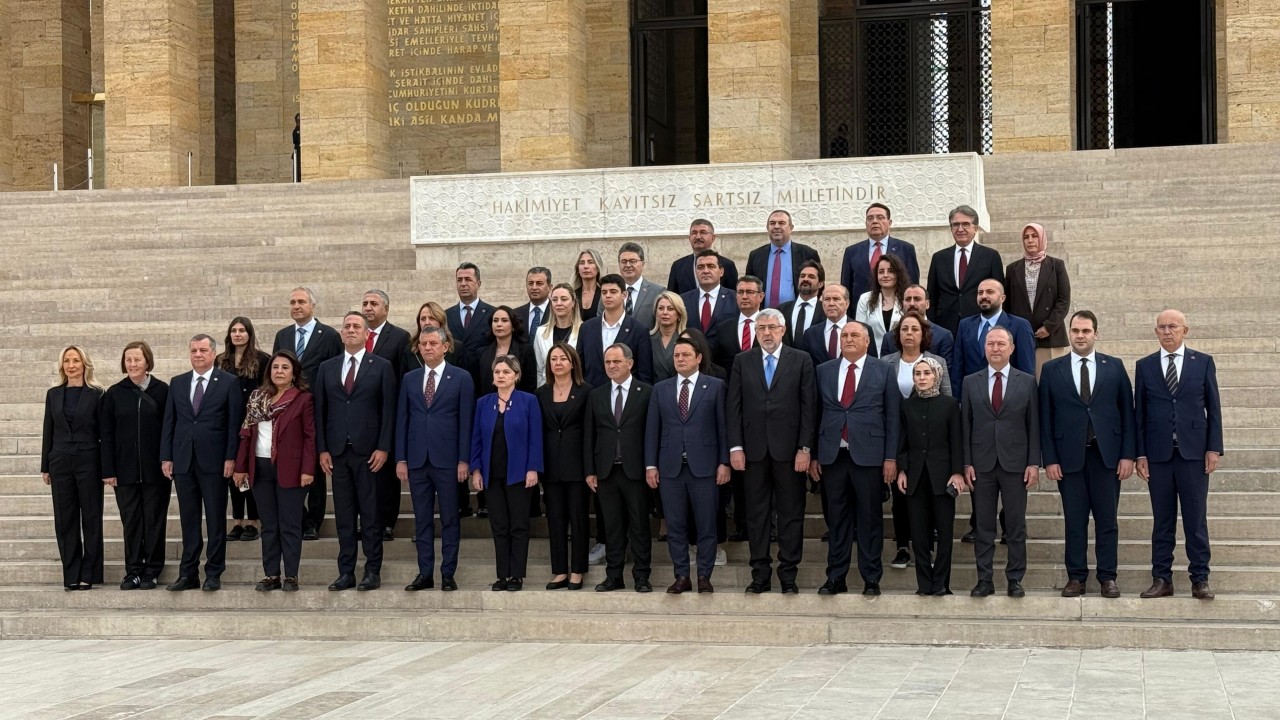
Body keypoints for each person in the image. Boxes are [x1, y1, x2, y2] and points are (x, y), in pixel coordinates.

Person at [1040, 311, 1136, 598]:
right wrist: (1050, 459)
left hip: (1106, 458)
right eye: (1075, 330)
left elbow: (1127, 414)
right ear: (1069, 333)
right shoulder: (1052, 369)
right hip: (1069, 459)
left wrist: (1128, 455)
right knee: (1075, 521)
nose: (1080, 336)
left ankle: (1108, 577)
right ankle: (1076, 577)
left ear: (1096, 334)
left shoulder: (1114, 367)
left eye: (1086, 331)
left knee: (1107, 521)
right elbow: (1045, 417)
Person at [1135, 309, 1223, 600]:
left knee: (1195, 519)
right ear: (1156, 331)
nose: (1167, 331)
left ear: (1185, 329)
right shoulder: (1145, 366)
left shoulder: (1203, 363)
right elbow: (1140, 413)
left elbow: (1214, 408)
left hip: (1193, 454)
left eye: (1172, 326)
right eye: (1161, 327)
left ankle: (1200, 578)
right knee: (1162, 520)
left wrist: (1213, 448)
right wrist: (1140, 454)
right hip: (1158, 455)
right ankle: (1162, 578)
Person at [727, 309, 816, 594]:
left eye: (772, 327)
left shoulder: (800, 360)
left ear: (783, 329)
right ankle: (760, 575)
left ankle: (788, 574)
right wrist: (736, 447)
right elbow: (734, 407)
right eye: (761, 327)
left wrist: (805, 448)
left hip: (790, 451)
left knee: (791, 514)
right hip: (752, 452)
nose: (766, 333)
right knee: (757, 514)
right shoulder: (743, 361)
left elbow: (808, 408)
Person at [811, 322, 899, 596]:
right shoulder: (824, 370)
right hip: (832, 455)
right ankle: (835, 577)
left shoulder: (883, 369)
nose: (848, 339)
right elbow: (815, 414)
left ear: (867, 342)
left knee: (870, 519)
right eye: (844, 335)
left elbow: (893, 417)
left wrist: (890, 458)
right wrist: (813, 455)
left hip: (870, 457)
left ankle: (871, 578)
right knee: (836, 520)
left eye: (854, 335)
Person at [314, 312, 397, 592]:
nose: (351, 330)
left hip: (370, 454)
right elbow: (320, 411)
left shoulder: (382, 366)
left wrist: (384, 447)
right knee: (345, 516)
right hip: (337, 454)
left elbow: (389, 410)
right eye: (347, 326)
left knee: (371, 515)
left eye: (356, 327)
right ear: (341, 333)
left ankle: (372, 570)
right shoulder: (327, 367)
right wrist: (323, 449)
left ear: (366, 334)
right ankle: (346, 571)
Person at [646, 337, 731, 594]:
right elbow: (652, 430)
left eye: (685, 354)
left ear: (698, 358)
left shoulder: (715, 386)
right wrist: (651, 465)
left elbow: (723, 428)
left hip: (704, 467)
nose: (680, 359)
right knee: (675, 525)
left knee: (706, 524)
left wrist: (724, 462)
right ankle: (682, 575)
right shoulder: (660, 389)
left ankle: (704, 575)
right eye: (676, 355)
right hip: (670, 468)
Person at [160, 334, 244, 592]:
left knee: (216, 519)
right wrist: (167, 456)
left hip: (215, 461)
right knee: (189, 519)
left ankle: (213, 573)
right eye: (194, 350)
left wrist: (231, 457)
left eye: (203, 350)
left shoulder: (228, 382)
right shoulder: (178, 382)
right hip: (184, 461)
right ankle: (188, 573)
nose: (198, 354)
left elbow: (234, 424)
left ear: (213, 354)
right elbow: (169, 422)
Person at [961, 326, 1039, 598]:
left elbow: (1034, 425)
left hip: (1016, 464)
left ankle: (1015, 579)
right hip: (981, 465)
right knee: (983, 526)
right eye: (990, 343)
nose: (995, 348)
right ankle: (985, 580)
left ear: (1012, 348)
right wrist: (967, 463)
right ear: (984, 348)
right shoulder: (970, 382)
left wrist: (1033, 463)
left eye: (1000, 344)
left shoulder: (1027, 381)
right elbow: (965, 425)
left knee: (1015, 525)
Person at [396, 327, 473, 592]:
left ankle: (448, 572)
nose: (428, 347)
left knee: (450, 518)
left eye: (433, 343)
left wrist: (464, 460)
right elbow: (402, 420)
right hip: (417, 460)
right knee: (422, 519)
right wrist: (401, 458)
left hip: (448, 460)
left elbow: (466, 421)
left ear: (445, 347)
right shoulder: (409, 378)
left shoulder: (461, 378)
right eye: (423, 344)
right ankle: (425, 573)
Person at [232, 351, 315, 593]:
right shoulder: (258, 398)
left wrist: (308, 469)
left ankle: (291, 575)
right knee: (269, 525)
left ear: (293, 373)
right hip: (260, 467)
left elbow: (310, 437)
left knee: (289, 524)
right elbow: (246, 434)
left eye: (284, 367)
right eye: (275, 367)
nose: (279, 370)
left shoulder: (303, 399)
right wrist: (240, 467)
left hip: (291, 468)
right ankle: (271, 574)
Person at [881, 311, 953, 570]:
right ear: (897, 335)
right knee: (901, 495)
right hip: (898, 436)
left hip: (931, 439)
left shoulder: (937, 362)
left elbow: (947, 401)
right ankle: (902, 546)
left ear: (923, 335)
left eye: (914, 329)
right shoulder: (887, 362)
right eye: (904, 329)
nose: (909, 333)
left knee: (930, 490)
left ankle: (927, 545)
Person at [271, 287, 341, 541]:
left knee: (314, 465)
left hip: (317, 407)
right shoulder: (283, 335)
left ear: (313, 305)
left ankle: (313, 520)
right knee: (288, 462)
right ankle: (296, 517)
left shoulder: (330, 335)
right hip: (287, 409)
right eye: (292, 302)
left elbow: (335, 371)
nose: (296, 306)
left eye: (301, 301)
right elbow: (276, 369)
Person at [470, 355, 543, 591]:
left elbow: (536, 437)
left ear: (516, 376)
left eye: (506, 372)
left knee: (519, 526)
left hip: (519, 474)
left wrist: (533, 468)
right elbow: (476, 439)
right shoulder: (483, 403)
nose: (501, 376)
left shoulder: (529, 401)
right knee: (499, 526)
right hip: (492, 475)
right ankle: (502, 575)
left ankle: (516, 575)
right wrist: (476, 469)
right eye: (497, 372)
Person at [100, 341, 170, 590]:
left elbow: (169, 430)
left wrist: (167, 459)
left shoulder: (163, 390)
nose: (132, 364)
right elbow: (106, 433)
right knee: (131, 520)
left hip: (155, 471)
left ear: (147, 361)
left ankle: (152, 570)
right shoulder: (114, 393)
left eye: (137, 359)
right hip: (124, 470)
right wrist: (108, 470)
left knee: (154, 519)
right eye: (128, 359)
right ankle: (133, 571)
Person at [584, 344, 654, 592]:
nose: (611, 366)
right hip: (606, 472)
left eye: (616, 361)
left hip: (636, 471)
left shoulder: (646, 392)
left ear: (630, 363)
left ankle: (642, 576)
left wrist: (651, 466)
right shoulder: (596, 394)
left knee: (639, 526)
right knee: (612, 527)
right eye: (607, 362)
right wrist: (590, 470)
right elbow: (589, 435)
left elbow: (651, 433)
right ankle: (614, 576)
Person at [895, 357, 964, 596]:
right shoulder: (906, 406)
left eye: (926, 373)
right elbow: (901, 441)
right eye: (917, 374)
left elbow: (956, 441)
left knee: (944, 532)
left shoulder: (950, 404)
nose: (922, 378)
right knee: (919, 533)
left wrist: (957, 473)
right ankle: (924, 584)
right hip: (915, 476)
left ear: (937, 376)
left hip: (942, 477)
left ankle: (941, 584)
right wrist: (902, 469)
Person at [42, 346, 106, 591]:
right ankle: (70, 573)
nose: (71, 365)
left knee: (91, 517)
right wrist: (45, 465)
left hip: (89, 460)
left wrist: (106, 467)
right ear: (62, 366)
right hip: (59, 462)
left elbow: (104, 433)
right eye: (67, 361)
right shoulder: (53, 394)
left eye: (76, 360)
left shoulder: (97, 394)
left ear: (84, 364)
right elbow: (48, 430)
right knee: (65, 519)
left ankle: (88, 573)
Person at [536, 343, 591, 590]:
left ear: (572, 363)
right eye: (553, 359)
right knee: (555, 518)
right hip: (551, 467)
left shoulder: (586, 391)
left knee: (578, 518)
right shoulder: (541, 393)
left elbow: (590, 433)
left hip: (577, 466)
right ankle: (559, 570)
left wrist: (590, 468)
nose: (558, 363)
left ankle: (577, 570)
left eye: (563, 358)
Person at [362, 289, 413, 541]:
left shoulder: (400, 337)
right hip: (361, 415)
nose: (368, 307)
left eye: (373, 303)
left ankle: (387, 522)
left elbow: (404, 375)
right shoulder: (356, 335)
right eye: (365, 303)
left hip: (387, 412)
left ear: (386, 309)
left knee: (385, 473)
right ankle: (367, 520)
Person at [217, 316, 270, 542]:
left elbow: (267, 389)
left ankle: (253, 521)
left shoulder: (262, 359)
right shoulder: (221, 360)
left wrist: (253, 418)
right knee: (232, 474)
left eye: (242, 330)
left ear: (249, 333)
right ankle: (237, 521)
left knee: (250, 470)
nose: (237, 334)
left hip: (252, 422)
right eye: (234, 330)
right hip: (227, 421)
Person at [1004, 223, 1072, 377]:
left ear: (1042, 238)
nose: (1030, 240)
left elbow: (1064, 299)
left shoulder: (1056, 266)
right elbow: (1007, 303)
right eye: (1026, 237)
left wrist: (1049, 326)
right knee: (1023, 385)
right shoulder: (1012, 269)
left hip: (1050, 336)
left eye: (1034, 236)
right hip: (1020, 336)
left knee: (1051, 383)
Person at [925, 205, 1004, 334]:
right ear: (951, 228)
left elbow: (998, 294)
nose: (960, 229)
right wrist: (932, 326)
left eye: (966, 224)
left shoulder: (990, 256)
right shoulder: (939, 258)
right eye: (955, 225)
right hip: (945, 325)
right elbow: (932, 295)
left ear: (976, 228)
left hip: (980, 323)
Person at [577, 273, 655, 387]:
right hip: (592, 396)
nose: (608, 295)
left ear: (624, 295)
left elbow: (644, 373)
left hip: (626, 397)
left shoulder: (639, 330)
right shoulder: (587, 328)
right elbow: (580, 367)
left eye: (613, 292)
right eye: (604, 292)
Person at [954, 279, 1037, 381]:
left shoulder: (1020, 326)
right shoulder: (965, 325)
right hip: (972, 392)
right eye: (980, 293)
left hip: (1007, 392)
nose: (984, 296)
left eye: (990, 292)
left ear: (1002, 298)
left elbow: (1026, 369)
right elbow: (957, 367)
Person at [840, 203, 920, 303]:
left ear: (889, 222)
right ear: (866, 224)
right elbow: (845, 289)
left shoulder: (906, 249)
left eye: (880, 217)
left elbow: (913, 286)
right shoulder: (851, 252)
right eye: (870, 218)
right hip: (861, 312)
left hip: (897, 310)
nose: (874, 221)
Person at [745, 209, 822, 309]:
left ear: (791, 228)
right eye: (772, 223)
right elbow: (749, 286)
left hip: (797, 315)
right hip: (764, 315)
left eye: (781, 223)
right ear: (767, 227)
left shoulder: (807, 254)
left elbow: (818, 286)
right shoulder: (756, 255)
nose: (776, 226)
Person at [881, 284, 956, 381]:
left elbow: (946, 376)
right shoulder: (889, 337)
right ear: (902, 304)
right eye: (908, 299)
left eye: (917, 299)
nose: (912, 303)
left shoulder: (943, 336)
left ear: (927, 304)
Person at [445, 262, 496, 382]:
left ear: (478, 283)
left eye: (468, 279)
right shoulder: (446, 315)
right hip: (452, 379)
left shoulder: (493, 314)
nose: (463, 284)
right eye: (459, 280)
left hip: (483, 378)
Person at [475, 305, 538, 397]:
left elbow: (530, 385)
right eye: (495, 320)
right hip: (489, 404)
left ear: (513, 325)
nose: (499, 324)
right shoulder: (482, 352)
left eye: (504, 320)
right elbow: (478, 386)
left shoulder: (526, 350)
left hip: (518, 405)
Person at [854, 254, 909, 356]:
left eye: (891, 271)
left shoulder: (907, 298)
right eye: (881, 272)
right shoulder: (865, 299)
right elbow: (860, 331)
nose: (885, 275)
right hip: (873, 357)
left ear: (898, 274)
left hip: (902, 355)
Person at [667, 219, 740, 295]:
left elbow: (733, 296)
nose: (698, 237)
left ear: (713, 237)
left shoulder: (727, 264)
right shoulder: (678, 266)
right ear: (689, 238)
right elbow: (672, 298)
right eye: (694, 233)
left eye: (703, 232)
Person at [679, 250, 736, 347]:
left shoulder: (735, 299)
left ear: (721, 272)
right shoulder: (683, 300)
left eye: (711, 266)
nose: (705, 271)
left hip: (724, 359)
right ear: (696, 272)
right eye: (700, 267)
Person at [532, 283, 583, 387]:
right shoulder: (541, 332)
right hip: (548, 390)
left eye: (564, 299)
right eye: (554, 300)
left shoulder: (584, 329)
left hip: (577, 390)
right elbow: (539, 369)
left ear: (573, 302)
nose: (558, 303)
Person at [711, 276, 764, 374]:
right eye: (740, 292)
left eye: (749, 292)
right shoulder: (723, 328)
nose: (744, 296)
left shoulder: (771, 326)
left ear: (760, 296)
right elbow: (716, 361)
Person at [799, 284, 850, 369]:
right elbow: (806, 368)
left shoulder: (862, 330)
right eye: (827, 299)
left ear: (847, 303)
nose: (831, 303)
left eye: (836, 299)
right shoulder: (811, 334)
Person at [618, 242, 662, 329]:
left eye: (632, 261)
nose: (628, 265)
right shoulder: (610, 292)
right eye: (623, 261)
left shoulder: (658, 292)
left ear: (643, 264)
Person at [779, 260, 823, 346]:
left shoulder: (825, 311)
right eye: (802, 276)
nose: (805, 279)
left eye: (811, 277)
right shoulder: (781, 310)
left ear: (820, 284)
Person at [650, 291, 689, 382]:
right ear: (656, 313)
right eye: (661, 308)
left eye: (670, 309)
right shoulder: (647, 339)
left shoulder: (687, 340)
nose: (665, 312)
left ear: (679, 314)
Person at [412, 301, 461, 368]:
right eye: (423, 319)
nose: (427, 322)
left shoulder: (457, 348)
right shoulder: (410, 349)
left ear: (440, 321)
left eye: (431, 318)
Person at [513, 266, 553, 337]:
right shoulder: (515, 314)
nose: (534, 287)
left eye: (539, 283)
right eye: (531, 283)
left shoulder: (556, 312)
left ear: (549, 287)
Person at [573, 249, 605, 322]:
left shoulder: (604, 293)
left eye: (590, 262)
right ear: (578, 269)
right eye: (582, 263)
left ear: (598, 267)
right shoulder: (573, 295)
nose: (586, 266)